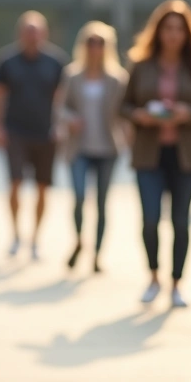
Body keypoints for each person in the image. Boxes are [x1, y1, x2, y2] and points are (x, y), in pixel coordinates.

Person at [122, 0, 191, 308]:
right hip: (149, 154)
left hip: (186, 156)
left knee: (180, 221)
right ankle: (153, 277)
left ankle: (177, 284)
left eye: (179, 29)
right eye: (168, 28)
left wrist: (185, 112)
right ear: (158, 31)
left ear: (187, 33)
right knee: (150, 218)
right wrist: (140, 115)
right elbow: (123, 105)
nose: (173, 34)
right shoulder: (141, 64)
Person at [0, 10, 68, 261]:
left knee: (43, 187)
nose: (32, 36)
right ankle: (15, 235)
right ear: (20, 33)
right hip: (15, 131)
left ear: (44, 33)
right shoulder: (7, 61)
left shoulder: (56, 61)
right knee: (15, 182)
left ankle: (35, 238)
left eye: (36, 32)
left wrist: (60, 124)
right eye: (27, 31)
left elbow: (63, 97)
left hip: (46, 133)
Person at [58, 21, 128, 274]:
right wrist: (69, 119)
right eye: (90, 42)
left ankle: (97, 255)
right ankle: (79, 240)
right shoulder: (72, 75)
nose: (95, 47)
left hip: (108, 149)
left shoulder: (118, 78)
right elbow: (61, 108)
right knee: (78, 197)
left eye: (100, 43)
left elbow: (125, 113)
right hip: (79, 148)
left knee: (101, 203)